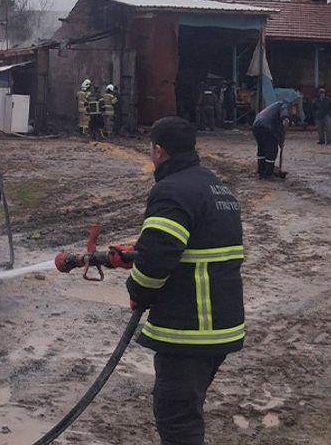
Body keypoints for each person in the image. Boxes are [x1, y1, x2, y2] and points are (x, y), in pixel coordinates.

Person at [109, 116, 244, 445]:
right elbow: (190, 244)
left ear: (157, 150)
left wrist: (137, 291)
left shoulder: (170, 190)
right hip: (221, 324)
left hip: (189, 329)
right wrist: (136, 252)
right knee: (187, 409)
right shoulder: (216, 186)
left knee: (176, 419)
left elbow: (156, 262)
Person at [252, 100, 292, 179]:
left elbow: (279, 131)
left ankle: (261, 171)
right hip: (268, 127)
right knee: (272, 149)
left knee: (262, 149)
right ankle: (268, 174)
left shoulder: (271, 107)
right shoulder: (283, 104)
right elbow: (285, 120)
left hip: (256, 126)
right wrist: (286, 120)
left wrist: (281, 141)